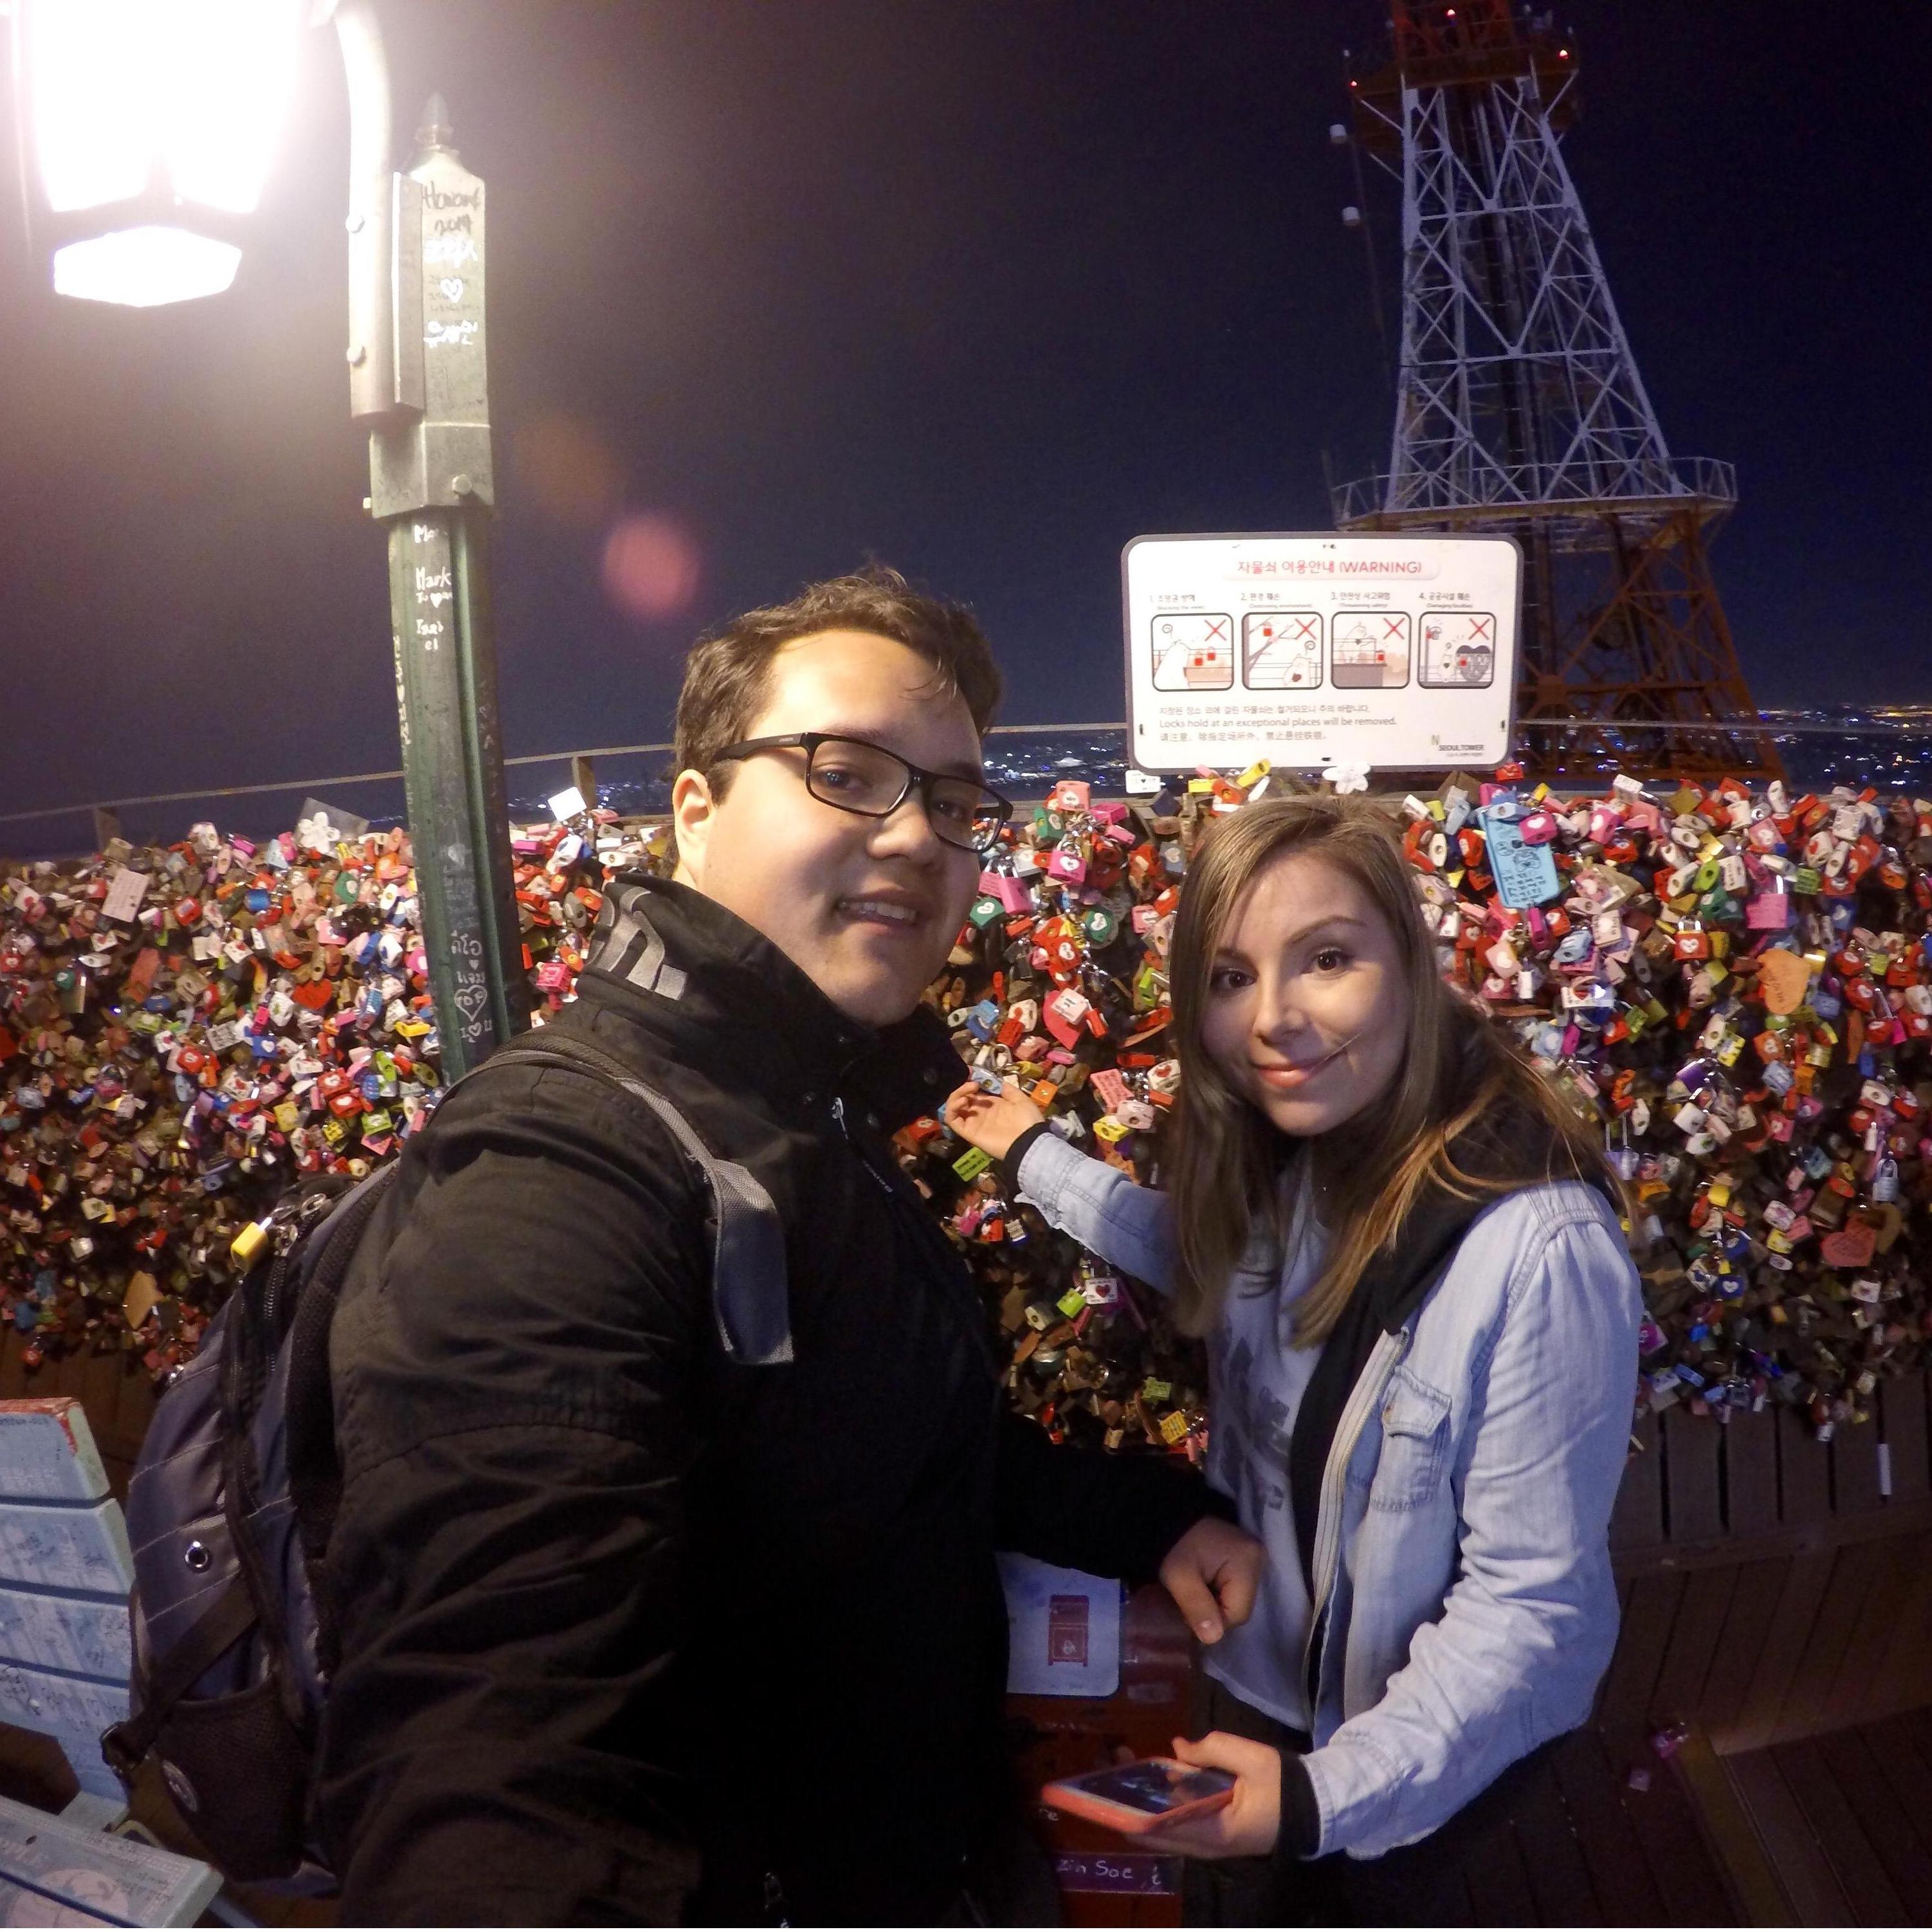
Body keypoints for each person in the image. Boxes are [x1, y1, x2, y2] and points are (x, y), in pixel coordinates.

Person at [315, 568, 1262, 1927]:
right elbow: (489, 1724)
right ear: (692, 809)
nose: (916, 835)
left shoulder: (808, 1113)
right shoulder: (557, 1166)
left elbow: (903, 1441)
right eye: (844, 770)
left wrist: (1153, 1514)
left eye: (951, 800)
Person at [946, 795, 1642, 1925]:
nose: (1272, 1019)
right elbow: (1188, 1250)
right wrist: (1031, 1150)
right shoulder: (1295, 1158)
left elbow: (1533, 1613)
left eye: (1326, 958)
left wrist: (1320, 1802)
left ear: (1409, 968)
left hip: (1397, 1751)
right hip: (1265, 1691)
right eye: (1229, 977)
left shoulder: (1537, 1248)